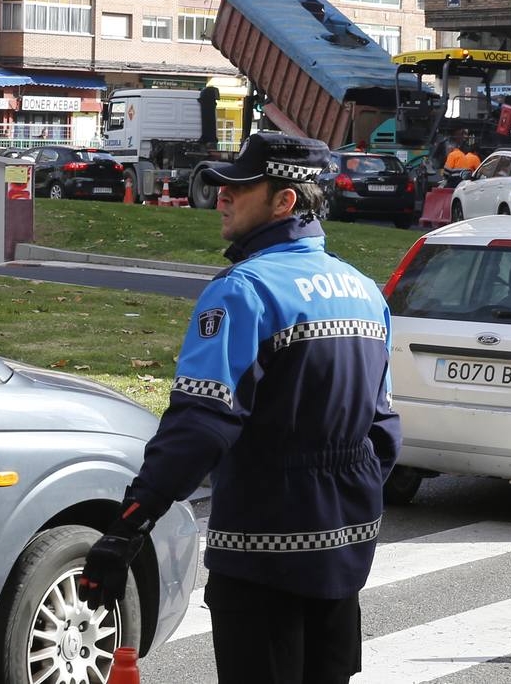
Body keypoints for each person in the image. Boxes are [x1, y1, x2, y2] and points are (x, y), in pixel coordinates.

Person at [79, 132, 400, 684]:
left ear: (285, 201)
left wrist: (129, 524)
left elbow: (201, 423)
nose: (222, 196)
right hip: (345, 546)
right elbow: (383, 427)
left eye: (240, 188)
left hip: (262, 548)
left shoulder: (244, 291)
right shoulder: (364, 290)